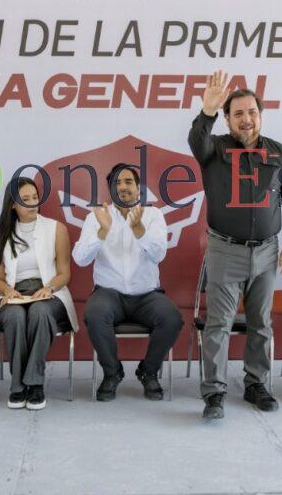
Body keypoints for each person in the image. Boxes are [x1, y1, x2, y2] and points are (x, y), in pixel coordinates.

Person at [188, 70, 282, 421]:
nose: (246, 119)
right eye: (237, 113)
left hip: (268, 251)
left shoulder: (278, 152)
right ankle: (214, 394)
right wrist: (206, 112)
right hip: (225, 249)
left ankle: (257, 385)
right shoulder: (215, 149)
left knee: (261, 323)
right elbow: (197, 140)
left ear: (260, 115)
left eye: (251, 112)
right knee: (219, 324)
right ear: (227, 118)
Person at [74, 164, 183, 401]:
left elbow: (158, 255)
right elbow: (81, 259)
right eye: (117, 183)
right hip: (109, 294)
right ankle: (112, 373)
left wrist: (139, 230)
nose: (122, 187)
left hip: (147, 295)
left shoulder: (153, 215)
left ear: (138, 187)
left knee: (172, 317)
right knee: (95, 313)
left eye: (128, 182)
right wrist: (102, 231)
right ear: (110, 189)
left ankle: (149, 371)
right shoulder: (96, 217)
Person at [0, 177, 77, 410]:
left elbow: (65, 273)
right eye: (25, 200)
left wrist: (49, 288)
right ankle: (17, 386)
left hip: (50, 292)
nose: (32, 203)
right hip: (13, 292)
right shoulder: (0, 235)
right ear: (12, 204)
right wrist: (8, 290)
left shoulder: (56, 229)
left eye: (35, 198)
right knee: (15, 316)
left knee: (39, 312)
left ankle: (34, 384)